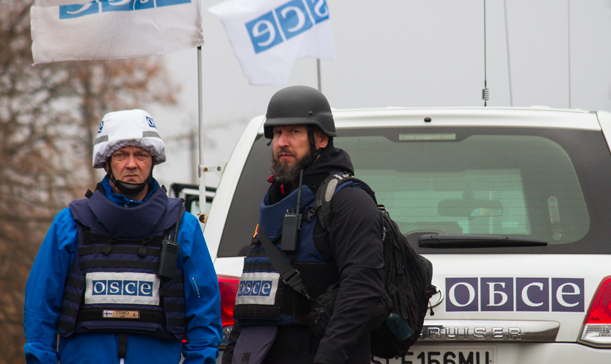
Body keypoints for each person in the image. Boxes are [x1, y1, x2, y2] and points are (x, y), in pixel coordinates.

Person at [23, 109, 222, 364]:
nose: (131, 164)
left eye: (140, 155)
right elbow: (40, 310)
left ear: (152, 161)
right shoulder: (69, 224)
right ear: (106, 162)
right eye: (121, 155)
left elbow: (205, 317)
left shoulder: (183, 227)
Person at [224, 86, 389, 364]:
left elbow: (361, 289)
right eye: (277, 133)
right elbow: (252, 303)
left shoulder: (347, 200)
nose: (282, 142)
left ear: (321, 138)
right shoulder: (274, 201)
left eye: (294, 132)